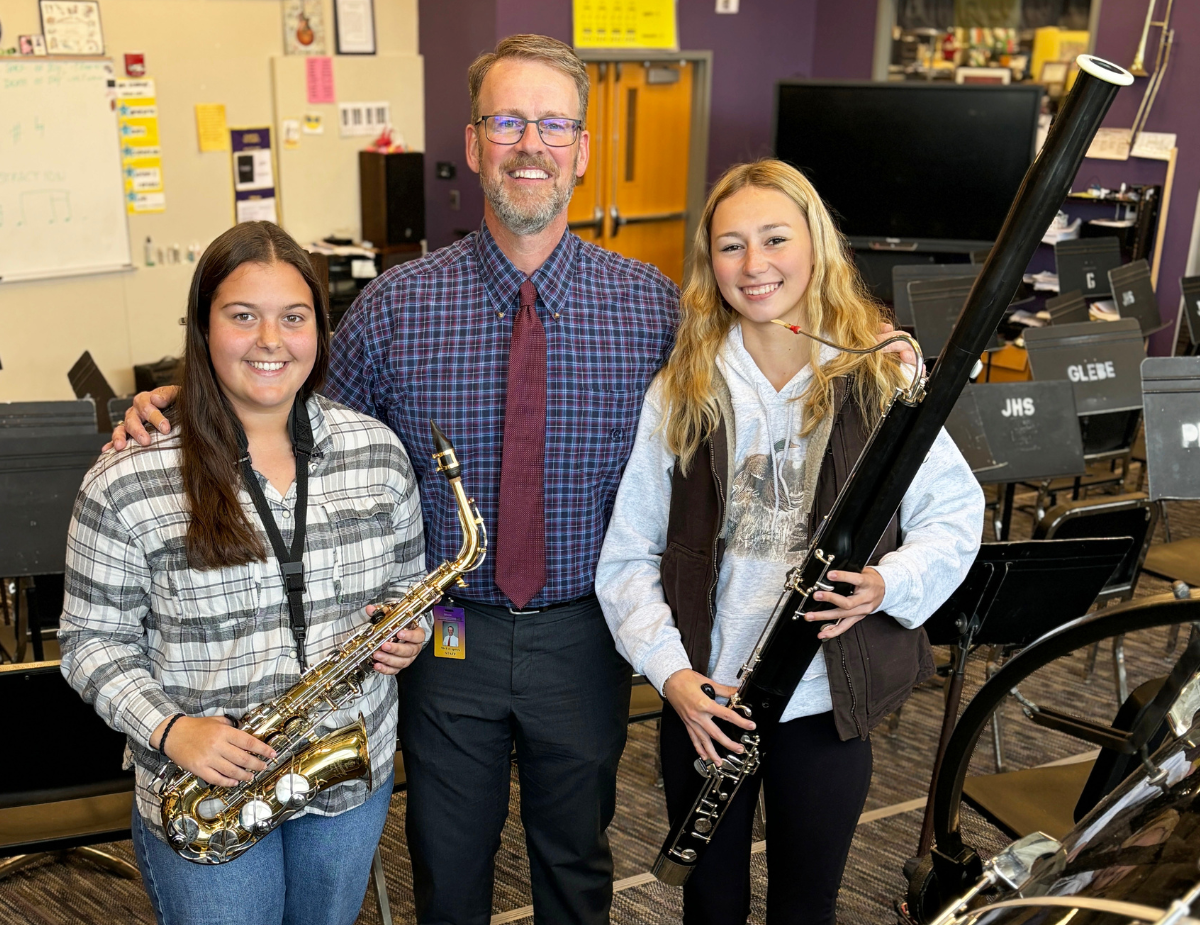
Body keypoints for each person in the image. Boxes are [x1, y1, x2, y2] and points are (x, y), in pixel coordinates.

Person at [109, 35, 679, 925]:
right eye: (506, 120)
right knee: (447, 866)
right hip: (441, 632)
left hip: (585, 633)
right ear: (474, 139)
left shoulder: (651, 306)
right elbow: (286, 402)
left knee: (579, 864)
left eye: (553, 123)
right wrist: (192, 391)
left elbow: (753, 389)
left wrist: (865, 348)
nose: (530, 143)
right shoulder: (396, 308)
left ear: (582, 147)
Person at [594, 159, 985, 925]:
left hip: (823, 699)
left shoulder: (879, 373)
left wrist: (887, 583)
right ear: (711, 264)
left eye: (775, 237)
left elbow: (956, 511)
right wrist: (674, 678)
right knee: (710, 904)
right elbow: (627, 556)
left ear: (815, 246)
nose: (755, 263)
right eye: (731, 245)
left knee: (806, 906)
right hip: (709, 700)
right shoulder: (684, 386)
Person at [61, 221, 427, 925]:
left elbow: (416, 595)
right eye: (242, 315)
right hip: (206, 787)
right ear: (202, 329)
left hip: (345, 777)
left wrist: (413, 632)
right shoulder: (129, 476)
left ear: (320, 329)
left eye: (293, 317)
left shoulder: (377, 453)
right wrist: (172, 729)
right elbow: (87, 640)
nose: (270, 339)